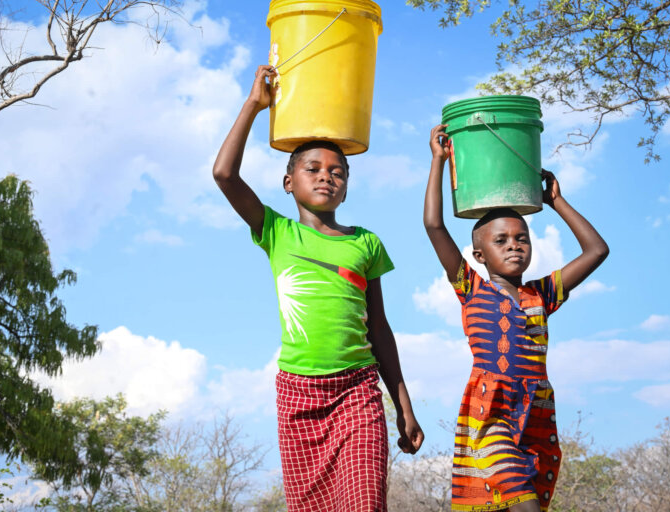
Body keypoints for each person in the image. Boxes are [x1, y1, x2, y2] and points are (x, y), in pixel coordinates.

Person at [213, 64, 424, 511]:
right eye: (313, 168)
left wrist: (402, 404)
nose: (327, 176)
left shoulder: (365, 243)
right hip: (299, 394)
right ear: (289, 183)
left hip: (358, 391)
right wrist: (254, 104)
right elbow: (224, 176)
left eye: (338, 172)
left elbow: (380, 329)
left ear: (346, 189)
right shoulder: (277, 232)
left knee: (366, 502)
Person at [423, 124, 609, 512]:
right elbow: (434, 225)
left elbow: (596, 251)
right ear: (479, 255)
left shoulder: (541, 294)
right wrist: (438, 162)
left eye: (521, 238)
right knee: (521, 502)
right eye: (501, 240)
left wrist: (557, 202)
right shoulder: (470, 288)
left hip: (534, 412)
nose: (514, 246)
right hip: (490, 415)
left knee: (517, 504)